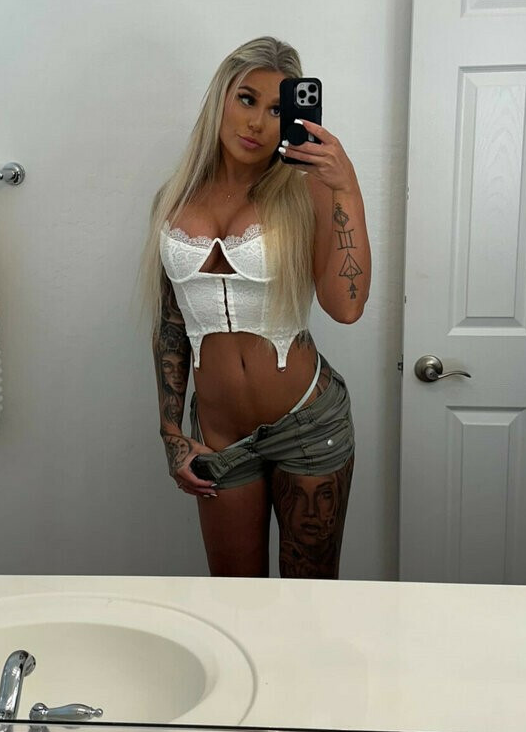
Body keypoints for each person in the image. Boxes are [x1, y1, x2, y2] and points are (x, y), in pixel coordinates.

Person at [139, 37, 371, 578]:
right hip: (219, 437)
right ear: (220, 98)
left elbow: (347, 307)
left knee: (309, 599)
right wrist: (171, 433)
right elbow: (170, 324)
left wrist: (346, 188)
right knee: (235, 598)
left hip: (308, 422)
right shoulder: (172, 200)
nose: (258, 124)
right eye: (247, 99)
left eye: (276, 110)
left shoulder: (308, 192)